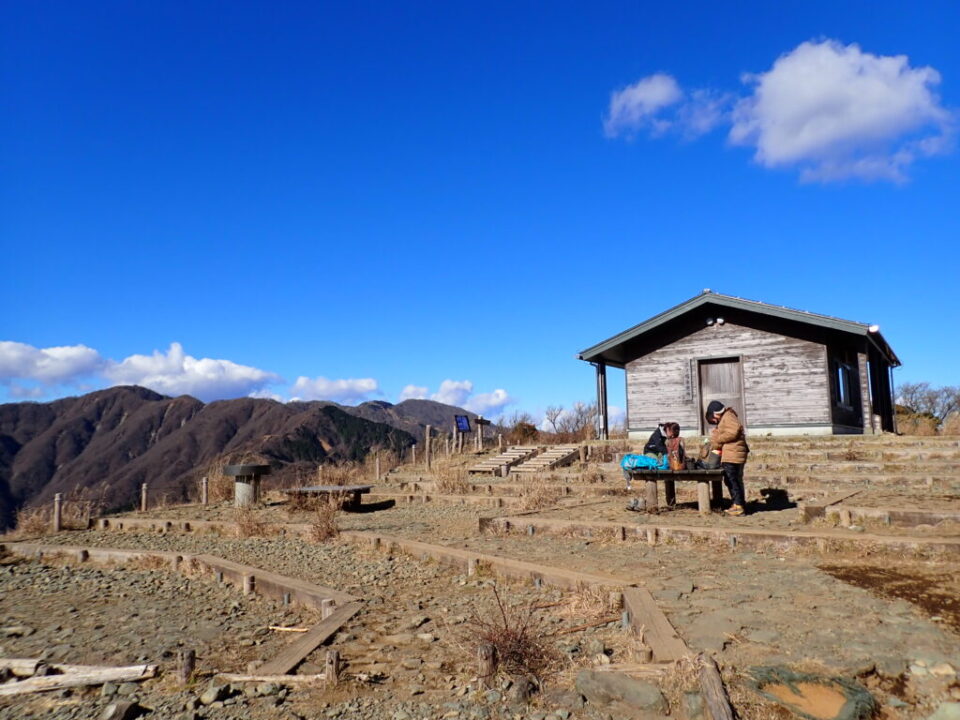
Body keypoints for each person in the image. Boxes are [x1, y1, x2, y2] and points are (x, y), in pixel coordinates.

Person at [705, 400, 749, 516]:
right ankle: (738, 504)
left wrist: (718, 438)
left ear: (715, 413)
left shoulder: (728, 416)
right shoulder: (727, 416)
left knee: (732, 480)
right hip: (733, 452)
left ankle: (739, 507)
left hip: (733, 454)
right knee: (733, 480)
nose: (715, 422)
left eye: (713, 419)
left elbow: (733, 431)